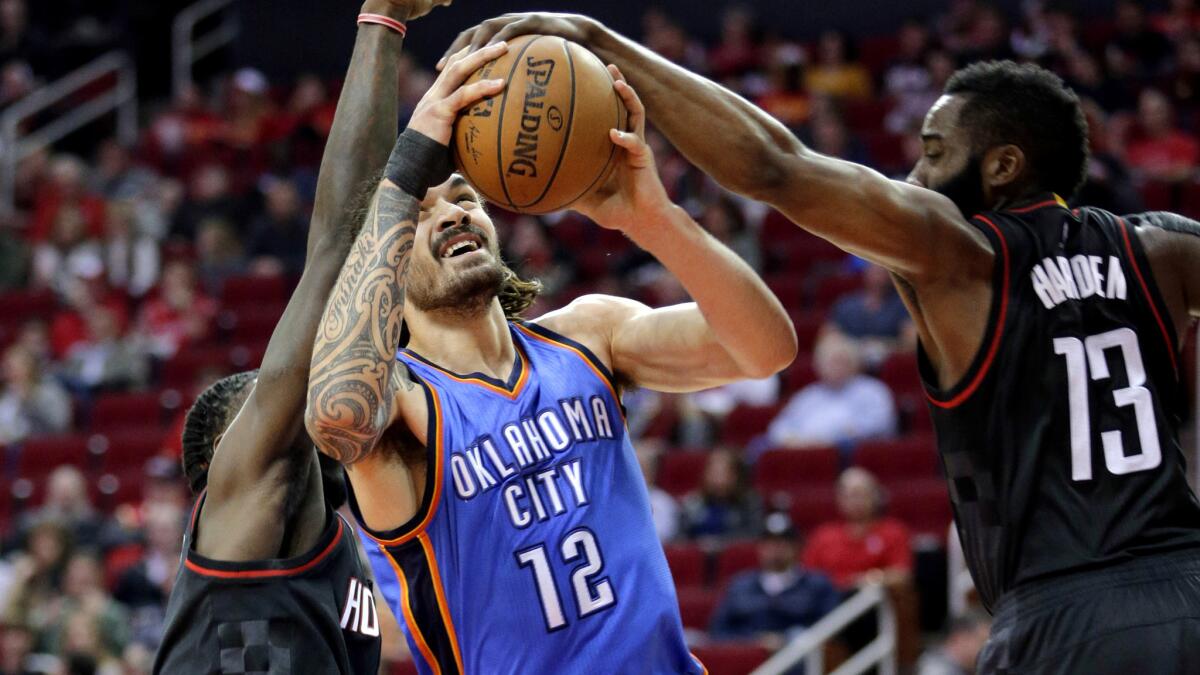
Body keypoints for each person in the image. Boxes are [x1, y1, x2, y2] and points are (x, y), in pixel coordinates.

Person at [452, 15, 1200, 674]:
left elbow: (775, 166)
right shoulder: (1162, 252)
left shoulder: (961, 252)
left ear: (1002, 165)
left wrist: (599, 39)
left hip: (1062, 617)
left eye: (935, 153)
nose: (916, 175)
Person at [303, 40, 796, 675]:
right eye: (418, 215)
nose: (452, 213)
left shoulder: (589, 334)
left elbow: (766, 348)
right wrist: (404, 170)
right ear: (383, 267)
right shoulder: (403, 404)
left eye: (464, 197)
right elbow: (335, 419)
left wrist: (653, 221)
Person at [152, 1, 452, 672]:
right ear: (219, 470)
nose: (287, 378)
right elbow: (340, 249)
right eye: (262, 395)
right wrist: (383, 24)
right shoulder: (244, 490)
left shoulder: (339, 546)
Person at [709, 513, 840, 650]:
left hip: (799, 662)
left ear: (796, 546)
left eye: (783, 542)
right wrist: (755, 641)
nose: (776, 548)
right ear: (760, 547)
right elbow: (718, 631)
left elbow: (830, 629)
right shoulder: (740, 585)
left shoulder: (818, 585)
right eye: (769, 542)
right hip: (747, 661)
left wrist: (787, 640)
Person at [766, 333, 896, 449]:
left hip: (848, 454)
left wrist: (829, 438)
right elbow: (779, 427)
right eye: (830, 362)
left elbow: (878, 425)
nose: (835, 367)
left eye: (840, 361)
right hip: (805, 452)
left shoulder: (873, 391)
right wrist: (793, 440)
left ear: (853, 363)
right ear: (819, 366)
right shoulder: (808, 396)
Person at [802, 468, 913, 592]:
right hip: (830, 603)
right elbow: (807, 578)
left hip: (876, 600)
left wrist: (865, 581)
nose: (855, 501)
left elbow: (901, 576)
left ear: (876, 496)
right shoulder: (823, 535)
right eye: (849, 495)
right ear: (839, 498)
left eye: (860, 494)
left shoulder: (893, 531)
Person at [916, 610, 991, 675]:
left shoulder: (959, 668)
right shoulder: (938, 670)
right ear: (960, 638)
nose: (988, 650)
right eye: (982, 641)